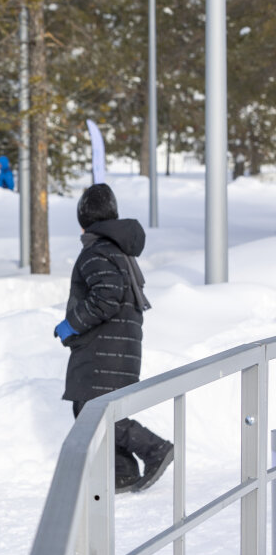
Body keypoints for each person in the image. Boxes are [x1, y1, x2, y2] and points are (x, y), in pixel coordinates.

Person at [54, 183, 173, 492]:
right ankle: (123, 472)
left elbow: (107, 298)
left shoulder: (97, 251)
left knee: (95, 412)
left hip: (104, 349)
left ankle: (156, 448)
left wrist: (71, 324)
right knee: (97, 409)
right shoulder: (116, 249)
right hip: (118, 348)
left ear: (83, 219)